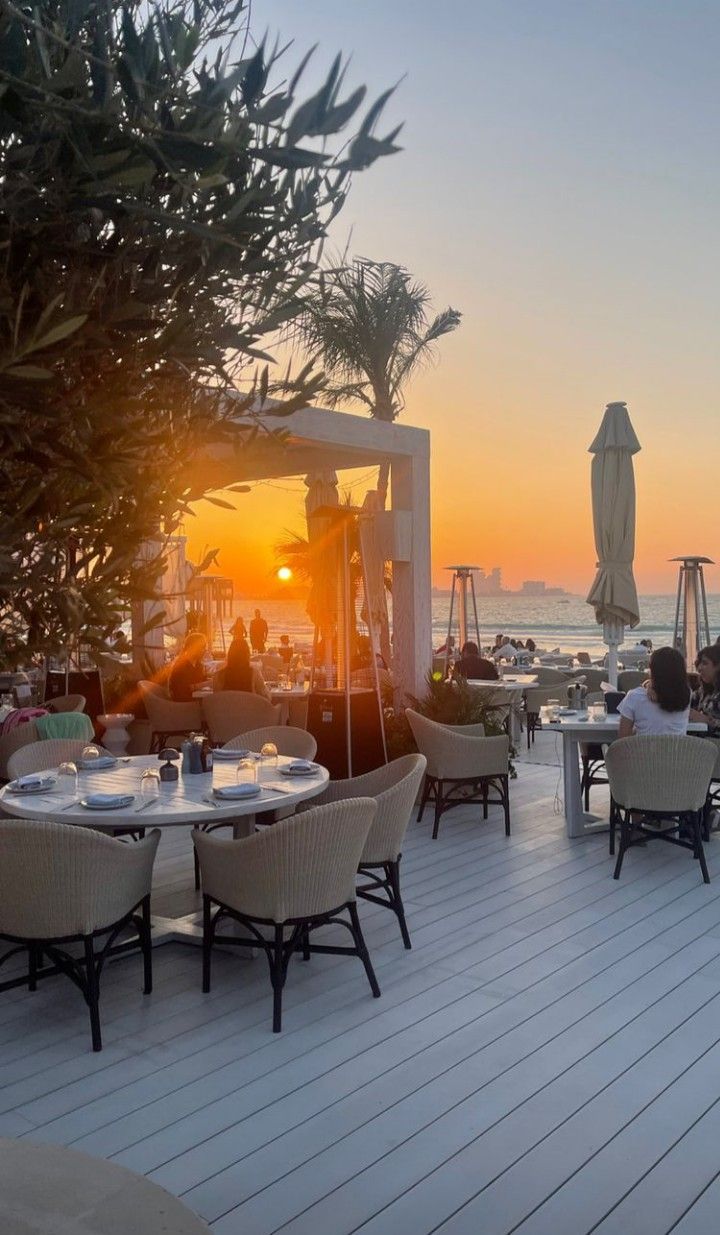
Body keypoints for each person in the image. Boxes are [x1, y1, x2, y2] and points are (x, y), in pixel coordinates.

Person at [618, 646, 690, 737]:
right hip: (677, 751)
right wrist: (648, 685)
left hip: (644, 751)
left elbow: (623, 738)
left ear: (651, 669)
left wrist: (636, 732)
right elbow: (667, 691)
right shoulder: (686, 696)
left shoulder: (635, 697)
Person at [689, 645, 720, 736]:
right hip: (700, 744)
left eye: (705, 663)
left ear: (718, 665)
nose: (699, 668)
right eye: (699, 664)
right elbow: (683, 702)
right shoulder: (704, 691)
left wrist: (708, 721)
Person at [168, 632, 207, 703]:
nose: (205, 650)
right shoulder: (181, 666)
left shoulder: (199, 665)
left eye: (205, 647)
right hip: (184, 706)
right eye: (202, 647)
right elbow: (181, 692)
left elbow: (203, 685)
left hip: (196, 702)